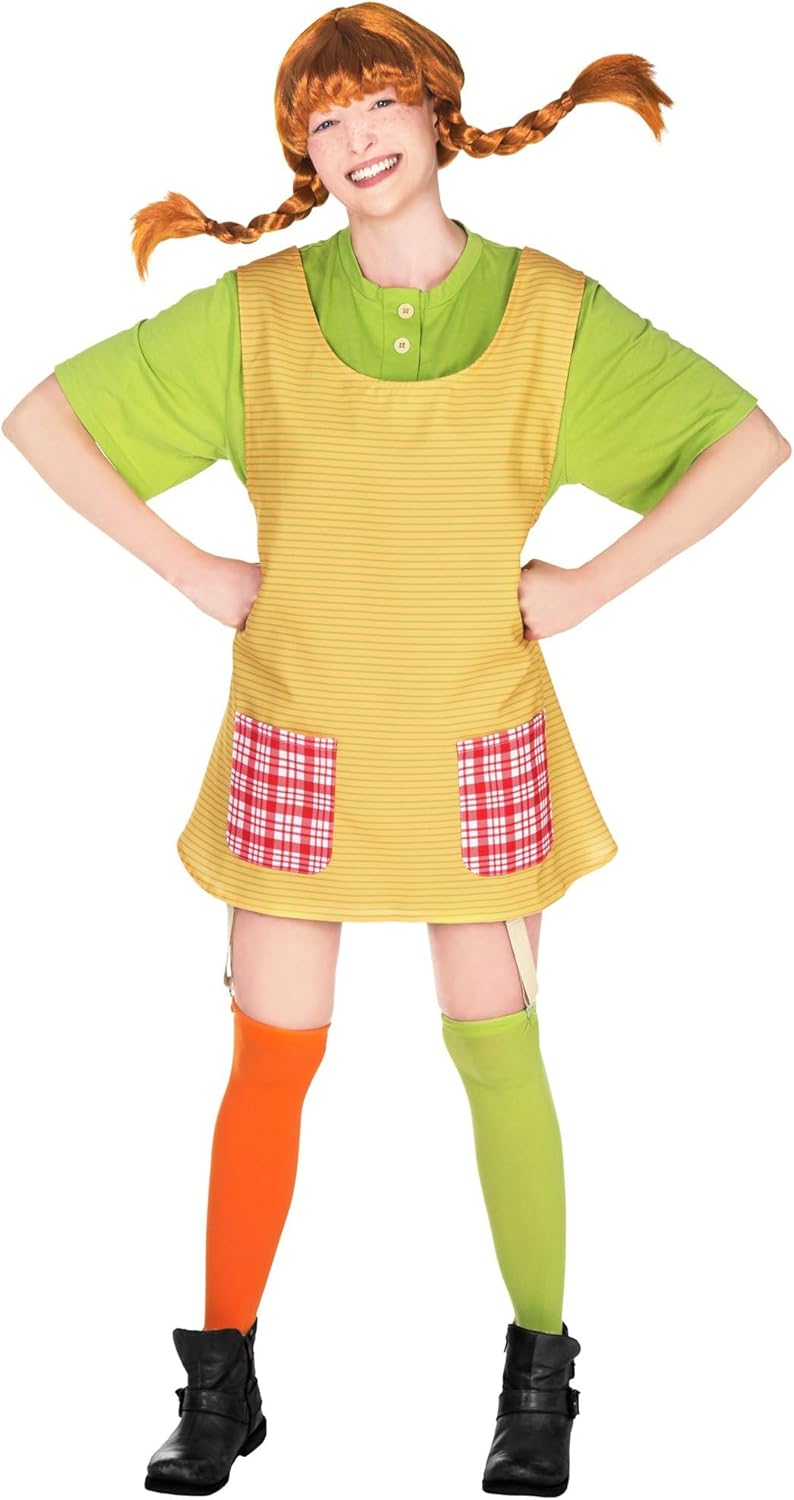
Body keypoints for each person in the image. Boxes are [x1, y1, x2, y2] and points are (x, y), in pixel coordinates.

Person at [3, 5, 789, 1496]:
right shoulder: (257, 317)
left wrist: (585, 590)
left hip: (476, 737)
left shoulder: (550, 315)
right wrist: (195, 571)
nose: (356, 141)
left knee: (499, 1057)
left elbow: (747, 439)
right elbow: (42, 419)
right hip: (297, 731)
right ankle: (221, 1383)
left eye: (378, 106)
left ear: (438, 114)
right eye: (324, 121)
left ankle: (539, 1379)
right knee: (268, 1065)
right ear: (304, 155)